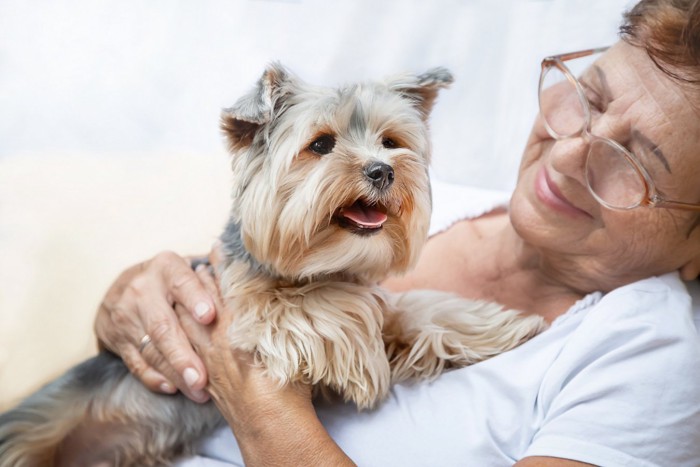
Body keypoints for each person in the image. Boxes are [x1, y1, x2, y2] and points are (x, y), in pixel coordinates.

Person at [94, 0, 700, 465]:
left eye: (635, 160)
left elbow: (239, 348)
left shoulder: (650, 352)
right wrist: (134, 304)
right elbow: (212, 290)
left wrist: (261, 400)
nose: (568, 154)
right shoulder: (399, 205)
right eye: (586, 100)